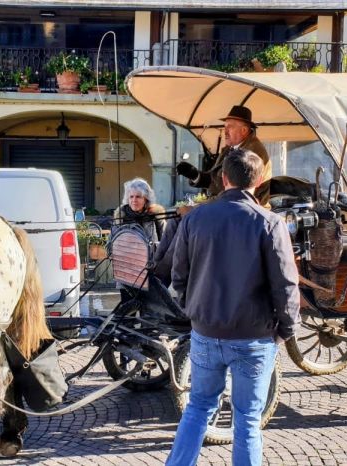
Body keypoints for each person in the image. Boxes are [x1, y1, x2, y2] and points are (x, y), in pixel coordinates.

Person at [166, 150, 300, 466]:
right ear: (259, 181)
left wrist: (193, 310)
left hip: (206, 331)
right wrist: (286, 330)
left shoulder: (195, 218)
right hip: (253, 336)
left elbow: (178, 276)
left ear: (224, 178)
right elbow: (285, 284)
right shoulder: (269, 223)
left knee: (198, 408)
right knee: (248, 420)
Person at [175, 105, 271, 198]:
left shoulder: (252, 153)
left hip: (247, 208)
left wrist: (202, 207)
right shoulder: (230, 149)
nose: (225, 131)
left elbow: (237, 193)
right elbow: (215, 180)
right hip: (228, 203)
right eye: (225, 126)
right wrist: (194, 175)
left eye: (230, 127)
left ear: (244, 130)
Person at [113, 177, 166, 243]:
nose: (134, 200)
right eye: (131, 197)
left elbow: (165, 242)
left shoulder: (155, 215)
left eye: (138, 197)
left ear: (146, 199)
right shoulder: (121, 216)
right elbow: (111, 243)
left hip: (151, 252)